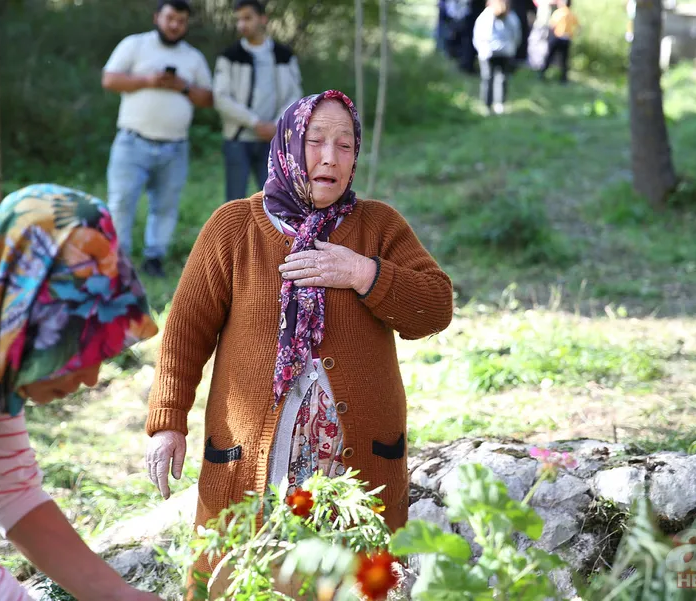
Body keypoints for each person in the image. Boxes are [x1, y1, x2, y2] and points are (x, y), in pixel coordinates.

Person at [143, 90, 453, 595]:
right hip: (253, 465)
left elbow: (435, 308)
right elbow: (184, 332)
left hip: (355, 470)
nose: (330, 157)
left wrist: (362, 272)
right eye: (315, 142)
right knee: (238, 581)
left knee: (351, 586)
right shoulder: (234, 227)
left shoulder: (379, 226)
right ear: (289, 143)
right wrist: (166, 423)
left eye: (345, 145)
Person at [0, 184, 160, 600]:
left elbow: (12, 490)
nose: (93, 377)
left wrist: (120, 595)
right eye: (83, 346)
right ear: (37, 328)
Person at [102, 0, 213, 279]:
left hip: (175, 146)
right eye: (170, 18)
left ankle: (155, 258)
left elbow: (208, 98)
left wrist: (183, 87)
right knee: (121, 203)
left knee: (165, 206)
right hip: (132, 141)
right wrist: (148, 80)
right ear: (157, 17)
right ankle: (118, 262)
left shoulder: (194, 57)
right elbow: (110, 80)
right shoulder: (135, 45)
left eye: (181, 20)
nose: (175, 25)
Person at [214, 0, 303, 202]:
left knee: (276, 200)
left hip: (273, 140)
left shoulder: (284, 56)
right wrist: (255, 123)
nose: (242, 24)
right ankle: (234, 235)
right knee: (234, 203)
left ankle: (272, 235)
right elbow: (221, 98)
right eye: (238, 20)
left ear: (263, 19)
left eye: (247, 18)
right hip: (238, 139)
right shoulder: (230, 56)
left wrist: (276, 125)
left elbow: (295, 95)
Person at [473, 0, 523, 114]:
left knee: (487, 78)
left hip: (488, 52)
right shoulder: (511, 16)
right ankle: (499, 104)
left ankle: (487, 105)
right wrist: (512, 47)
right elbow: (516, 35)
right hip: (505, 51)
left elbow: (477, 34)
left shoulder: (485, 16)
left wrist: (481, 48)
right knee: (502, 78)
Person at [539, 0, 580, 83]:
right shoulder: (572, 14)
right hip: (567, 38)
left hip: (557, 37)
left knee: (549, 57)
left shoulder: (558, 13)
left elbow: (552, 25)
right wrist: (573, 35)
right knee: (564, 60)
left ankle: (542, 74)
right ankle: (563, 78)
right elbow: (579, 27)